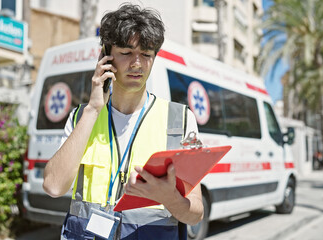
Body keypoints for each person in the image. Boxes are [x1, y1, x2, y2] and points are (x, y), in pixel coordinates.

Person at [43, 3, 203, 239]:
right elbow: (54, 186)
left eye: (146, 54)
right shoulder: (81, 117)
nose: (137, 63)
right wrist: (93, 109)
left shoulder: (181, 120)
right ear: (106, 58)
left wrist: (168, 197)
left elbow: (195, 213)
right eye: (126, 53)